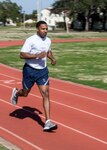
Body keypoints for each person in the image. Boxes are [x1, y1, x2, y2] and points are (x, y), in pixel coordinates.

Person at [11, 20, 58, 132]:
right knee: (25, 93)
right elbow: (22, 54)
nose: (45, 31)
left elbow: (48, 51)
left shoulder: (48, 40)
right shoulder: (31, 40)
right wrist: (37, 56)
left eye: (46, 29)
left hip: (42, 71)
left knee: (46, 94)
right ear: (37, 29)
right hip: (29, 70)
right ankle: (17, 93)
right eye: (43, 29)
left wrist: (52, 58)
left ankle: (47, 122)